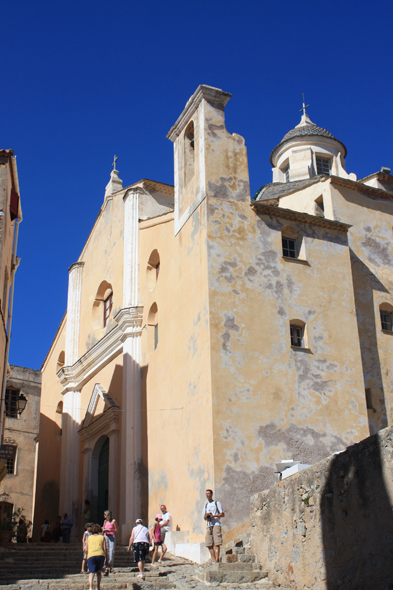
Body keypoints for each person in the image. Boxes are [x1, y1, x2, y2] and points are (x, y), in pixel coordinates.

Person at [203, 489, 225, 564]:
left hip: (216, 524)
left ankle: (217, 559)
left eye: (208, 493)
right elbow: (204, 517)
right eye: (206, 494)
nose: (207, 495)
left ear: (211, 494)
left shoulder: (216, 503)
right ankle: (214, 559)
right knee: (208, 543)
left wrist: (214, 516)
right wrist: (206, 516)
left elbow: (222, 514)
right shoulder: (206, 505)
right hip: (209, 525)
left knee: (217, 542)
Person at [86, 523, 107, 590]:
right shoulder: (102, 537)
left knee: (91, 572)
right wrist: (106, 557)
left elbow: (86, 549)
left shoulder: (89, 538)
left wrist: (87, 557)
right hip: (100, 555)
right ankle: (98, 586)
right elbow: (105, 549)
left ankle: (91, 587)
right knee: (99, 571)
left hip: (91, 555)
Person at [102, 510, 118, 575]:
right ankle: (106, 566)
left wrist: (110, 530)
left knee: (111, 551)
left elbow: (116, 530)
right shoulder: (105, 522)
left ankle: (111, 565)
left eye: (105, 514)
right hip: (106, 537)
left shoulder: (113, 521)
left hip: (111, 537)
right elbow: (103, 529)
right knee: (106, 550)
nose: (104, 516)